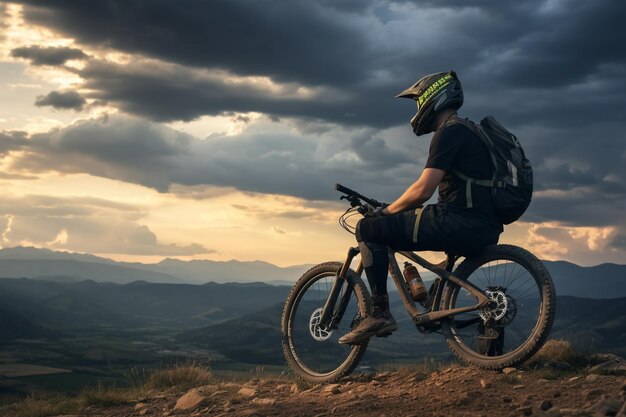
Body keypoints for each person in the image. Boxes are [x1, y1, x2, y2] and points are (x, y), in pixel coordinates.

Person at [338, 71, 504, 345]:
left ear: (433, 98)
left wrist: (387, 212)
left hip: (455, 220)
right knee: (429, 262)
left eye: (418, 102)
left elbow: (423, 190)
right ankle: (438, 306)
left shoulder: (449, 132)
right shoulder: (473, 132)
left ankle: (379, 313)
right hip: (485, 226)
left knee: (368, 228)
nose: (418, 110)